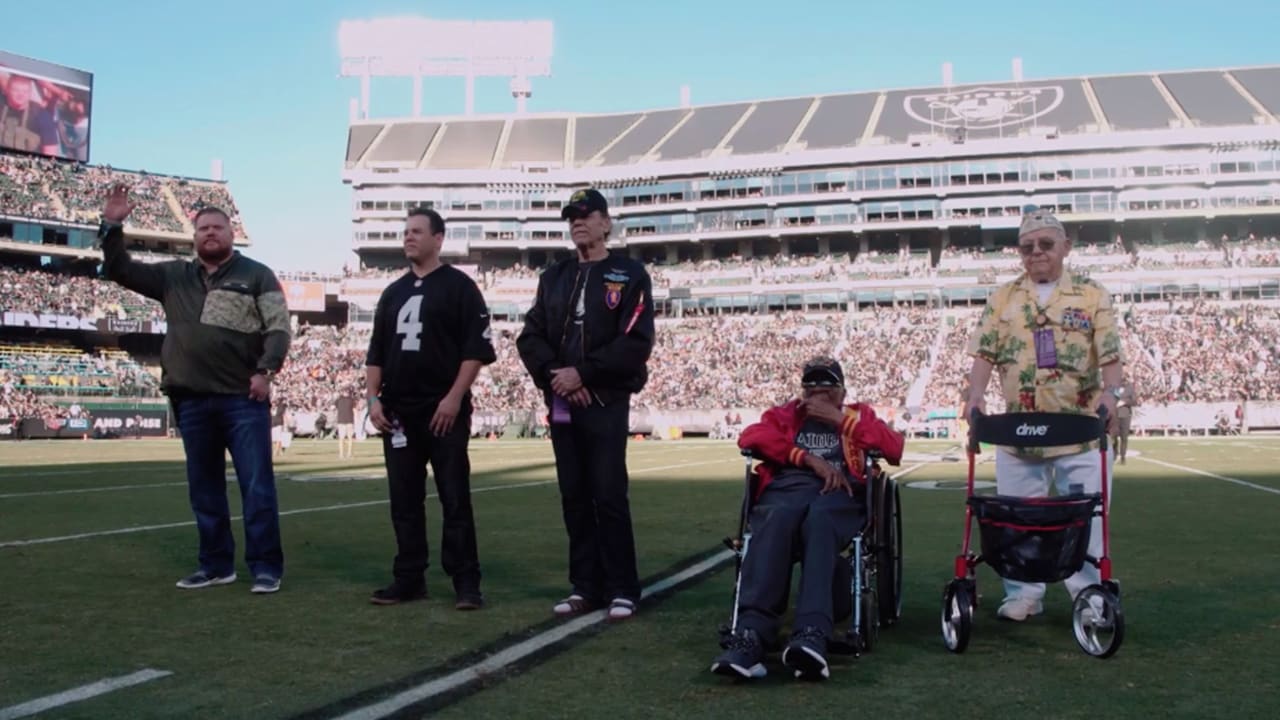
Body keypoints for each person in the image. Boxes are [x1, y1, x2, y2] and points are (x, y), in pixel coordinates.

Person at [98, 183, 290, 594]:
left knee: (256, 486)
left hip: (242, 398)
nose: (210, 233)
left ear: (230, 233)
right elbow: (120, 270)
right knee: (205, 491)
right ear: (194, 235)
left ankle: (266, 567)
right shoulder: (173, 276)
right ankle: (216, 565)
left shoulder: (257, 275)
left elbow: (278, 327)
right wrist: (113, 226)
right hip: (190, 399)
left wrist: (266, 370)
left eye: (217, 227)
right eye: (203, 228)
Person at [963, 208, 1125, 622]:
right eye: (1027, 246)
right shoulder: (1002, 297)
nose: (1036, 252)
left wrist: (1112, 395)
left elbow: (1109, 355)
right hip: (1019, 431)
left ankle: (1089, 596)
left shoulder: (1092, 294)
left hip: (1080, 430)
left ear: (1066, 248)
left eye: (1046, 244)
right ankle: (1023, 593)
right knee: (1018, 516)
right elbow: (983, 353)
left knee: (1087, 518)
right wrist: (976, 396)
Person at [711, 358, 904, 681]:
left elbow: (894, 447)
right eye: (811, 387)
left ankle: (811, 632)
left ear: (842, 392)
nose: (818, 394)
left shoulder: (857, 415)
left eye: (827, 388)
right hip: (790, 486)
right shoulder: (784, 415)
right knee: (776, 518)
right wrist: (807, 458)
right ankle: (751, 636)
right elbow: (751, 437)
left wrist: (840, 421)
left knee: (820, 519)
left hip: (840, 493)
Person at [516, 188, 655, 622]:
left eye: (587, 214)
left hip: (605, 400)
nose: (578, 222)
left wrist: (586, 373)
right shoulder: (552, 278)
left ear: (606, 223)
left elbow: (635, 341)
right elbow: (530, 337)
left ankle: (622, 587)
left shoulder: (629, 275)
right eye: (572, 217)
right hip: (561, 402)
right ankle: (585, 586)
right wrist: (557, 375)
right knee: (573, 495)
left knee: (609, 494)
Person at [365, 207, 497, 611]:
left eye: (417, 232)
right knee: (403, 501)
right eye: (405, 231)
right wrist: (373, 399)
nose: (408, 238)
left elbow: (475, 349)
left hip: (443, 410)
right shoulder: (392, 292)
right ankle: (409, 578)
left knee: (454, 498)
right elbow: (376, 355)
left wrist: (454, 397)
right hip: (399, 413)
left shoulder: (459, 287)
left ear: (438, 239)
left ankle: (465, 582)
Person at [1111, 379, 1136, 464]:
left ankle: (1123, 456)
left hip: (1125, 414)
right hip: (1115, 413)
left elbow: (1134, 401)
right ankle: (1114, 454)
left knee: (1124, 437)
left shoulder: (1130, 388)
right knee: (1113, 435)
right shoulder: (1114, 387)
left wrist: (1124, 402)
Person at [336, 389, 356, 459]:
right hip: (349, 420)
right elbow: (354, 410)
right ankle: (348, 454)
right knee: (349, 438)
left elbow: (336, 409)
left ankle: (342, 454)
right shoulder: (351, 400)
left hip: (341, 421)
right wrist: (356, 419)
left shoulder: (338, 400)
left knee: (342, 438)